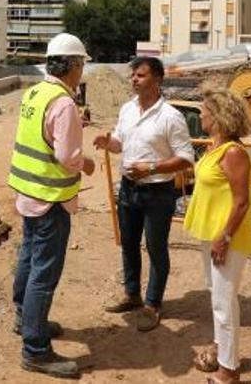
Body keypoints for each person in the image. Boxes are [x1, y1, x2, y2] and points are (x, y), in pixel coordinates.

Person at [8, 32, 96, 379]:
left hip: (29, 195)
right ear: (73, 65)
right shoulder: (63, 103)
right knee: (43, 275)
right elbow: (67, 156)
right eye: (81, 65)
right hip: (51, 200)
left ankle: (25, 319)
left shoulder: (35, 93)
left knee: (28, 260)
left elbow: (40, 137)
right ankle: (35, 350)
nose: (82, 73)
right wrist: (86, 162)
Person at [94, 56, 194, 332]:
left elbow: (186, 158)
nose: (134, 79)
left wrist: (151, 167)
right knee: (128, 244)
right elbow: (119, 144)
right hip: (128, 189)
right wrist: (108, 143)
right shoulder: (127, 109)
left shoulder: (171, 117)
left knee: (155, 247)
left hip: (158, 193)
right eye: (133, 75)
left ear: (158, 79)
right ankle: (132, 294)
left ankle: (152, 304)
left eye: (140, 75)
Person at [183, 86, 251, 384]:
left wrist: (224, 238)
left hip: (226, 237)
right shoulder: (215, 147)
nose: (200, 115)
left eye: (204, 112)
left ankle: (229, 372)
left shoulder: (234, 153)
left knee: (224, 305)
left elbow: (241, 201)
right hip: (211, 234)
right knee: (217, 298)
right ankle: (220, 350)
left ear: (219, 117)